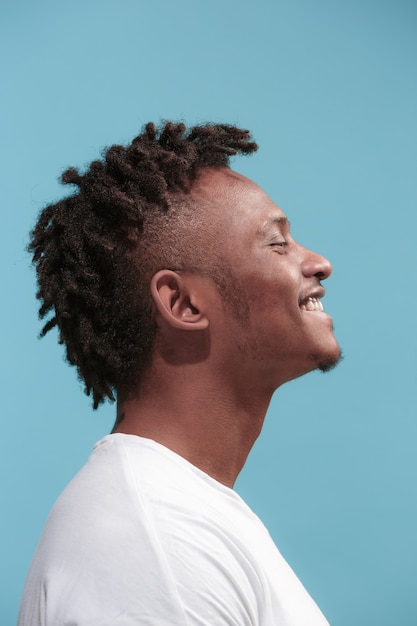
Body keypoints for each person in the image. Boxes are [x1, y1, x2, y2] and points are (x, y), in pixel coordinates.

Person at [18, 121, 341, 626]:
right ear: (183, 303)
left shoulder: (177, 517)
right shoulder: (155, 544)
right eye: (277, 245)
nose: (319, 263)